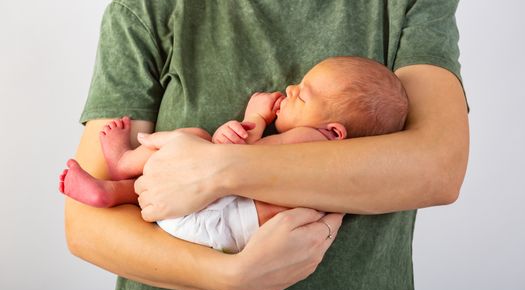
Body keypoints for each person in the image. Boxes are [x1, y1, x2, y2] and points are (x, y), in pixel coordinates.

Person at [64, 0, 469, 290]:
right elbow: (85, 228)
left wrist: (214, 169)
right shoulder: (154, 3)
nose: (291, 90)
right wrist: (228, 276)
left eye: (305, 93)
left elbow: (439, 168)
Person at [60, 56, 408, 253]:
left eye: (303, 96)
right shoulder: (340, 174)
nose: (290, 88)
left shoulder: (310, 141)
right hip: (219, 233)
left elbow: (235, 160)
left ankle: (123, 163)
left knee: (193, 139)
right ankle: (112, 192)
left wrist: (253, 120)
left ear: (334, 132)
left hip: (210, 216)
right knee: (174, 168)